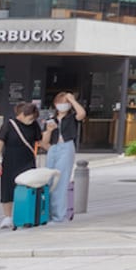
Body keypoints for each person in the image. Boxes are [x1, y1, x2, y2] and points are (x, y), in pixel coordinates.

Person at [0, 100, 44, 229]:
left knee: (28, 187)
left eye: (33, 118)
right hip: (10, 159)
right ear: (22, 114)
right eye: (30, 117)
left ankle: (27, 214)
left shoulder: (34, 126)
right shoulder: (8, 125)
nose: (31, 120)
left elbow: (40, 141)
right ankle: (7, 217)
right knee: (7, 187)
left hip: (27, 160)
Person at [43, 91, 85, 222]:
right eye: (61, 102)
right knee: (48, 180)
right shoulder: (51, 119)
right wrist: (49, 131)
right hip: (53, 148)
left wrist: (72, 100)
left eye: (65, 103)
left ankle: (59, 215)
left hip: (66, 146)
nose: (63, 105)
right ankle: (47, 213)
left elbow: (82, 114)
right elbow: (44, 142)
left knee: (61, 180)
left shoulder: (72, 117)